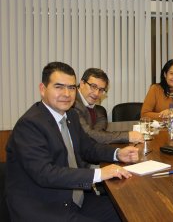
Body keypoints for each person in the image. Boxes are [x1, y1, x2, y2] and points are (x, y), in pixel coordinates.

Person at [6, 62, 139, 221]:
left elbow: (88, 148)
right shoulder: (30, 125)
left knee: (130, 211)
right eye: (59, 87)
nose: (67, 94)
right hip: (45, 207)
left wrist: (118, 154)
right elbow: (45, 174)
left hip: (74, 198)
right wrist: (99, 173)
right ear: (43, 89)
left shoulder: (70, 116)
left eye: (71, 88)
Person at [74, 68, 144, 144]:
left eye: (101, 90)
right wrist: (128, 136)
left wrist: (96, 133)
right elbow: (88, 135)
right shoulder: (73, 103)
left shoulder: (87, 100)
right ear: (82, 83)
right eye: (93, 86)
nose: (96, 93)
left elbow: (102, 119)